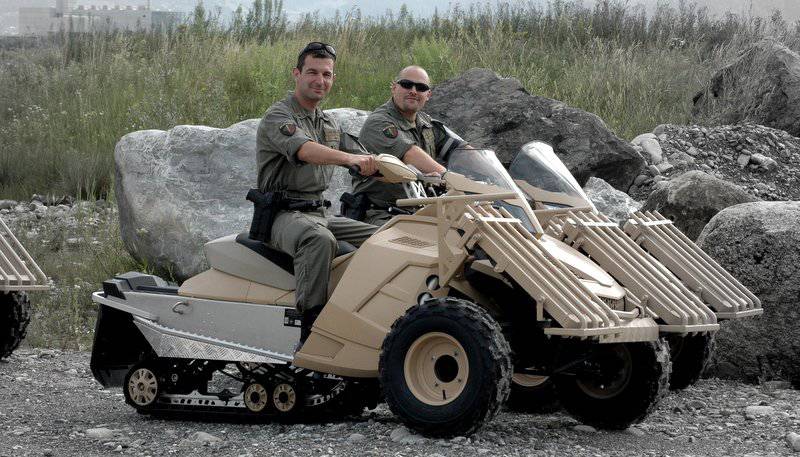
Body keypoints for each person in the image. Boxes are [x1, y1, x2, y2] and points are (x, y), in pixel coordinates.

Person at [255, 42, 378, 346]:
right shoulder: (278, 117)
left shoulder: (328, 122)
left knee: (387, 236)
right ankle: (311, 335)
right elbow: (306, 150)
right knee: (319, 240)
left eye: (327, 74)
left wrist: (415, 173)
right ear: (297, 74)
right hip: (282, 216)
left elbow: (364, 153)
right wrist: (349, 160)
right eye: (312, 72)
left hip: (318, 213)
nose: (319, 80)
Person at [349, 65, 468, 226]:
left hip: (419, 211)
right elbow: (410, 154)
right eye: (406, 84)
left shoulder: (425, 122)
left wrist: (491, 179)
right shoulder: (379, 122)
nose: (413, 90)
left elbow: (461, 150)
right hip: (381, 214)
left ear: (428, 94)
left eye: (421, 87)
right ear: (394, 87)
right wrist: (451, 179)